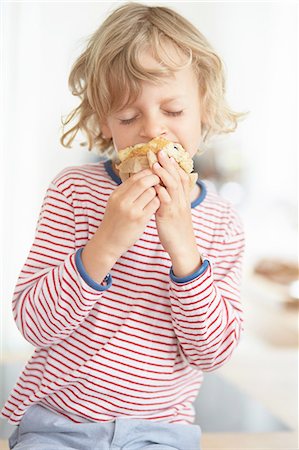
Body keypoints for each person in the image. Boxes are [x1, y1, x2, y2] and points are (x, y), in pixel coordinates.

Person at [2, 3, 247, 449]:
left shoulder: (222, 222)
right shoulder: (74, 192)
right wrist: (106, 242)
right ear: (103, 121)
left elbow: (213, 354)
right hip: (60, 423)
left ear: (204, 109)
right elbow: (33, 324)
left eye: (173, 111)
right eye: (129, 118)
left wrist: (184, 250)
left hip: (160, 432)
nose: (152, 130)